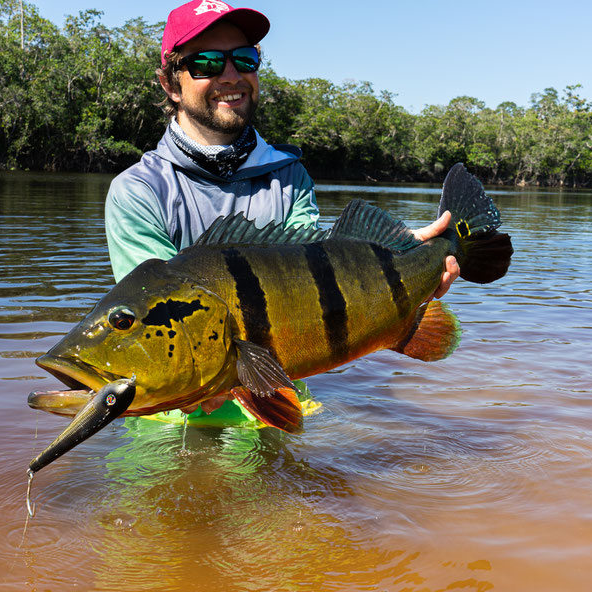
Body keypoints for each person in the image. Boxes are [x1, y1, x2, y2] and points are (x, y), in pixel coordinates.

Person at [103, 0, 459, 423]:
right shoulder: (138, 192)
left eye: (245, 58)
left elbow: (317, 274)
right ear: (171, 84)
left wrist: (401, 259)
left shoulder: (290, 176)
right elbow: (149, 320)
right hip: (176, 421)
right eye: (207, 63)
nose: (231, 75)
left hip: (280, 402)